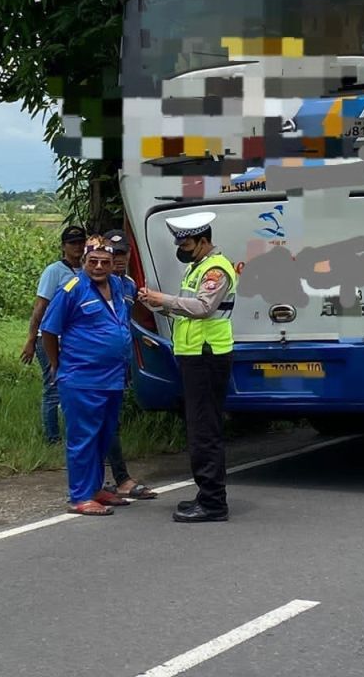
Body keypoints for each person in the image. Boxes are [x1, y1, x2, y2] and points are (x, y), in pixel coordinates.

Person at [138, 211, 238, 523]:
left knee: (204, 429)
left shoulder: (215, 270)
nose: (181, 248)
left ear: (204, 241)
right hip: (195, 356)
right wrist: (158, 306)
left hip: (207, 357)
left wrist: (163, 298)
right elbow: (188, 313)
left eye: (187, 243)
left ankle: (212, 502)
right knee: (199, 427)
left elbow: (204, 308)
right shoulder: (197, 268)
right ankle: (206, 495)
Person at [39, 237, 134, 516]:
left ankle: (95, 488)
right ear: (84, 262)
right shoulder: (72, 289)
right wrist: (57, 366)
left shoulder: (118, 285)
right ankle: (80, 495)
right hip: (82, 378)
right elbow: (49, 331)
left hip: (113, 378)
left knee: (104, 436)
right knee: (83, 437)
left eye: (105, 262)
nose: (99, 267)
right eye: (93, 262)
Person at [101, 228, 158, 500]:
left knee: (111, 422)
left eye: (122, 253)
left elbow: (129, 322)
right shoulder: (93, 284)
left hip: (119, 363)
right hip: (94, 365)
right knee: (102, 423)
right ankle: (117, 479)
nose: (118, 259)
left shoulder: (128, 286)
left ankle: (108, 480)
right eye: (113, 254)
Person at [20, 224, 86, 444]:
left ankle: (75, 434)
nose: (77, 247)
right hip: (49, 337)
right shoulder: (55, 271)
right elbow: (40, 306)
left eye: (80, 242)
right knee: (53, 386)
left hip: (75, 338)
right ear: (63, 246)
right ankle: (52, 438)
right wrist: (31, 339)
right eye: (72, 243)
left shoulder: (88, 270)